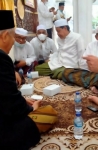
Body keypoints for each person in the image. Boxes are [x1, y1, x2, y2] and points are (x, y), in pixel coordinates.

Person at [0, 10, 41, 150]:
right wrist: (29, 108)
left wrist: (21, 100)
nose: (14, 42)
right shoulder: (2, 58)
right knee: (34, 124)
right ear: (5, 35)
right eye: (13, 37)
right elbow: (9, 103)